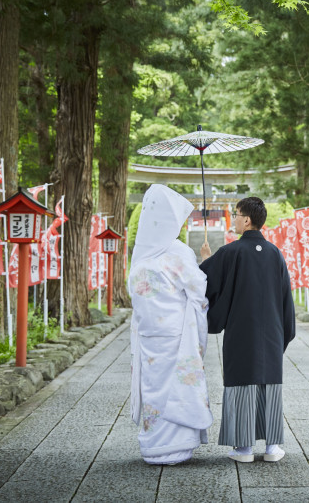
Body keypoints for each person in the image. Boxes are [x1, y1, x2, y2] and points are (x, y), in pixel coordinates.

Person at [199, 196, 296, 463]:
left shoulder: (230, 252)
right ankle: (272, 446)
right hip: (273, 332)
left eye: (236, 213)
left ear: (247, 220)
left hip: (242, 331)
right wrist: (285, 331)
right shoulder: (276, 253)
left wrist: (206, 259)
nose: (234, 217)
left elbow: (205, 280)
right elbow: (286, 298)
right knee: (270, 385)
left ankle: (243, 449)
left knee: (242, 383)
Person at [128, 184, 212, 465]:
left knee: (154, 386)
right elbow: (198, 289)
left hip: (150, 333)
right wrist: (206, 265)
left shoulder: (141, 252)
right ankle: (177, 445)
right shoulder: (177, 251)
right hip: (176, 332)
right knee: (177, 385)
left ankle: (154, 444)